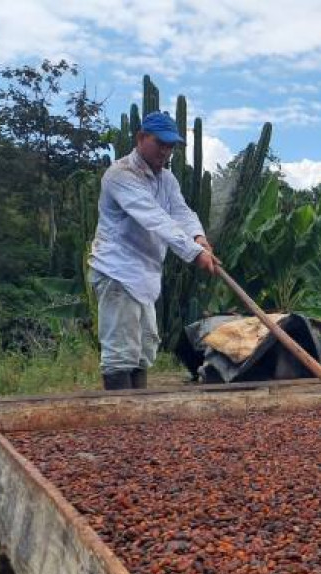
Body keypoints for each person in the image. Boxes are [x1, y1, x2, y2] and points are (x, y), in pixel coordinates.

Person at [89, 111, 220, 390]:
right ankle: (122, 422)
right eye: (160, 143)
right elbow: (153, 217)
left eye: (171, 146)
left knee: (142, 352)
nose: (166, 151)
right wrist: (193, 252)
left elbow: (182, 212)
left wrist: (199, 238)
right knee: (120, 354)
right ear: (140, 138)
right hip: (118, 272)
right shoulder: (120, 175)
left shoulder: (167, 180)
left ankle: (139, 420)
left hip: (145, 276)